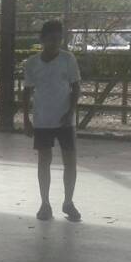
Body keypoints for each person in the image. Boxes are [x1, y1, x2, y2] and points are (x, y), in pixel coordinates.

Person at [23, 20, 82, 222]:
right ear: (42, 40)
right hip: (42, 119)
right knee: (44, 161)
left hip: (65, 119)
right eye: (51, 39)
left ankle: (68, 202)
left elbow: (76, 87)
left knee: (70, 161)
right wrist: (26, 119)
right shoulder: (32, 63)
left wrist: (70, 112)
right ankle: (45, 203)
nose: (55, 43)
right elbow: (27, 91)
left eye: (59, 39)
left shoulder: (68, 59)